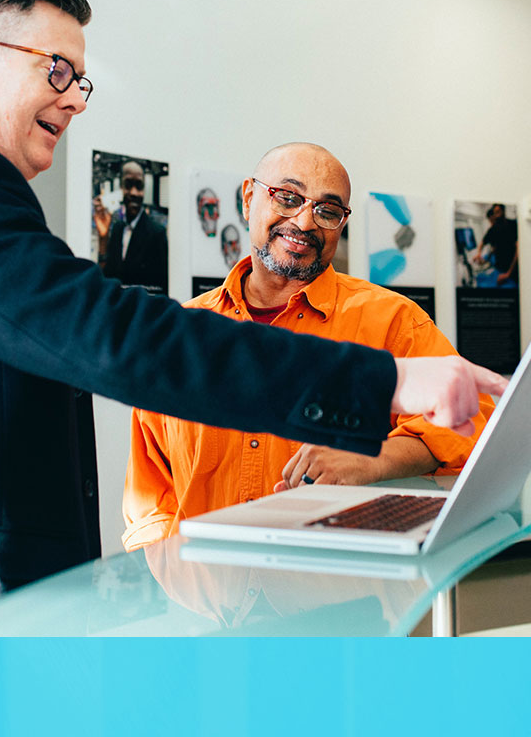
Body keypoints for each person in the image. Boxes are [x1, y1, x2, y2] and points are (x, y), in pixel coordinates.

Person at [0, 0, 505, 636]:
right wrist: (389, 381)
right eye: (56, 70)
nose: (72, 97)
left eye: (81, 81)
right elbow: (114, 338)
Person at [122, 143, 495, 551]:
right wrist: (171, 585)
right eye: (287, 197)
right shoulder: (183, 334)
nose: (304, 221)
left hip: (339, 596)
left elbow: (474, 420)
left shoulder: (393, 321)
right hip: (205, 600)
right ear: (249, 198)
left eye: (327, 210)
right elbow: (150, 496)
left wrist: (371, 459)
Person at [93, 160, 167, 293]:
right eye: (128, 185)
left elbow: (161, 289)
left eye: (139, 186)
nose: (133, 193)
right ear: (121, 187)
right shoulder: (117, 228)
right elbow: (107, 278)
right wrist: (103, 238)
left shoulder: (157, 233)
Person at [478, 203, 518, 286]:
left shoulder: (512, 225)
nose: (496, 216)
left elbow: (518, 250)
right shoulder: (493, 229)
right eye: (495, 213)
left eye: (498, 212)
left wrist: (508, 274)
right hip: (499, 268)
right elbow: (485, 243)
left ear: (503, 211)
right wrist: (479, 254)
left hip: (511, 271)